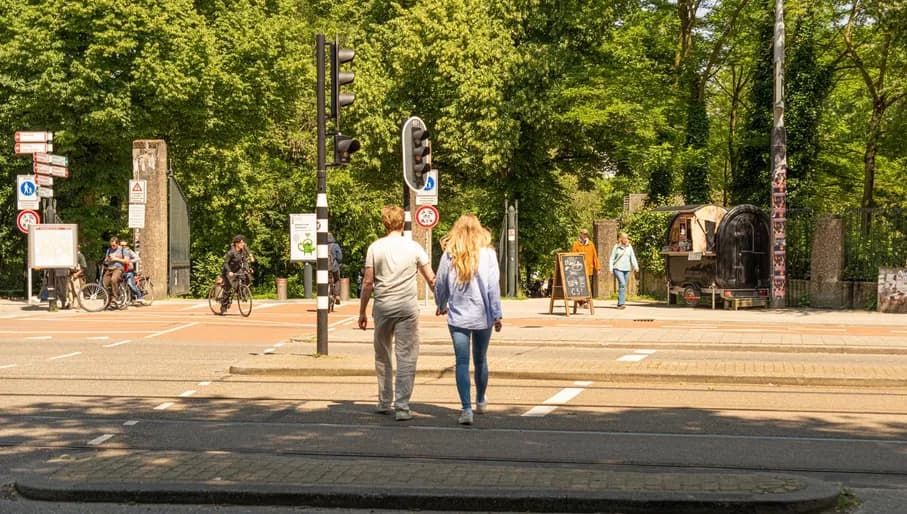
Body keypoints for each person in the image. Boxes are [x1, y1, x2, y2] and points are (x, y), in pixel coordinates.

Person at [358, 205, 436, 421]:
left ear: (384, 223)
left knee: (382, 354)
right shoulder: (414, 247)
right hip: (407, 309)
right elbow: (431, 278)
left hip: (383, 307)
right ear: (403, 223)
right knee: (407, 356)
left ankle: (384, 401)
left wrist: (362, 311)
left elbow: (368, 282)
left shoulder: (375, 248)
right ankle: (402, 406)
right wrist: (441, 300)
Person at [434, 214, 503, 426]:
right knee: (481, 359)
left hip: (458, 317)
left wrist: (441, 304)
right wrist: (497, 313)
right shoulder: (489, 255)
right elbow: (493, 287)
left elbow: (440, 283)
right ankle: (481, 400)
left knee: (461, 363)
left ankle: (466, 409)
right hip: (483, 316)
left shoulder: (449, 254)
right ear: (479, 231)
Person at [220, 235, 251, 315]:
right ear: (236, 244)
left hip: (237, 270)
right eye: (241, 242)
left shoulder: (242, 252)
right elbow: (226, 263)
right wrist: (229, 272)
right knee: (228, 287)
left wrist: (247, 269)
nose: (243, 244)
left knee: (245, 277)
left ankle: (241, 293)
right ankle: (223, 306)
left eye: (243, 242)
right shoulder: (231, 252)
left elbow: (244, 262)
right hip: (227, 272)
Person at [608, 232, 639, 309]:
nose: (626, 240)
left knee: (623, 286)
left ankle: (619, 302)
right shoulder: (616, 247)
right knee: (622, 283)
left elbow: (633, 257)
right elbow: (612, 258)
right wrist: (610, 268)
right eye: (624, 238)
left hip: (627, 269)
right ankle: (622, 303)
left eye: (627, 238)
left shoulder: (629, 247)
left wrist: (636, 266)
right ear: (621, 239)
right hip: (618, 268)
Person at [571, 228, 600, 305]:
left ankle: (586, 301)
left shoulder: (591, 244)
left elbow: (595, 256)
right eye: (584, 233)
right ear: (580, 234)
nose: (585, 235)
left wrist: (597, 268)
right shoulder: (576, 244)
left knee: (587, 285)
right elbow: (573, 256)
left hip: (589, 268)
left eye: (586, 233)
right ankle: (581, 301)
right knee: (580, 284)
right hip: (579, 269)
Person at [102, 236, 129, 306]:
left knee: (113, 279)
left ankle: (115, 297)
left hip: (118, 268)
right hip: (110, 268)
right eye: (111, 245)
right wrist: (107, 260)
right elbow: (106, 259)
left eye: (114, 245)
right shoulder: (109, 250)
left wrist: (116, 259)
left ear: (118, 244)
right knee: (105, 282)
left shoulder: (123, 250)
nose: (112, 246)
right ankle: (108, 299)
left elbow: (126, 261)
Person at [327, 233, 343, 305]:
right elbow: (340, 257)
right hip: (334, 267)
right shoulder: (335, 246)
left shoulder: (322, 246)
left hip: (323, 268)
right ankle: (337, 296)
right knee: (337, 280)